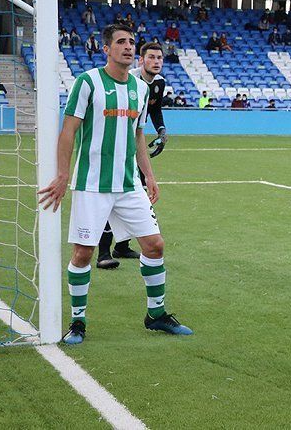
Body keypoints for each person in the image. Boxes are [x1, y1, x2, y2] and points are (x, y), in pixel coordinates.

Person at [37, 24, 192, 345]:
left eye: (131, 42)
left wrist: (148, 175)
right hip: (91, 185)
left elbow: (137, 134)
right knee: (83, 253)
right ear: (105, 49)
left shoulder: (140, 88)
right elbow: (68, 131)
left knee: (155, 245)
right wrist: (63, 175)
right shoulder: (87, 82)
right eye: (120, 42)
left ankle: (156, 315)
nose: (127, 46)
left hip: (129, 184)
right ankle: (78, 322)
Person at [96, 41, 170, 268]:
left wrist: (161, 131)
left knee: (133, 196)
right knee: (113, 198)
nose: (156, 62)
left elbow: (154, 110)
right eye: (151, 58)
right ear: (141, 60)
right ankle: (102, 254)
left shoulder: (158, 83)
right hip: (116, 151)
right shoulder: (130, 81)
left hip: (133, 150)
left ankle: (121, 247)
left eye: (159, 58)